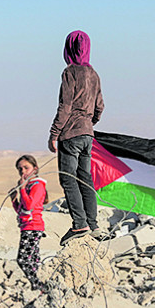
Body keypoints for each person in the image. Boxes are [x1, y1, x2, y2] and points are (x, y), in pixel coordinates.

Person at [48, 30, 104, 243]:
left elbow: (66, 105)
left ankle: (80, 225)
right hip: (87, 134)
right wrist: (89, 124)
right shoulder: (94, 74)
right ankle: (93, 224)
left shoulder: (70, 72)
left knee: (68, 179)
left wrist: (54, 133)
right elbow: (100, 106)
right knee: (85, 178)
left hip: (70, 133)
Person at [9, 154, 47, 290]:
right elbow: (23, 211)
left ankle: (38, 285)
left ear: (35, 169)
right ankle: (38, 286)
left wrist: (22, 189)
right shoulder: (30, 185)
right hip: (27, 226)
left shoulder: (38, 185)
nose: (23, 171)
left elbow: (30, 205)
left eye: (26, 167)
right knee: (32, 259)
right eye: (20, 169)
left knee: (23, 259)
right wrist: (14, 200)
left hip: (33, 227)